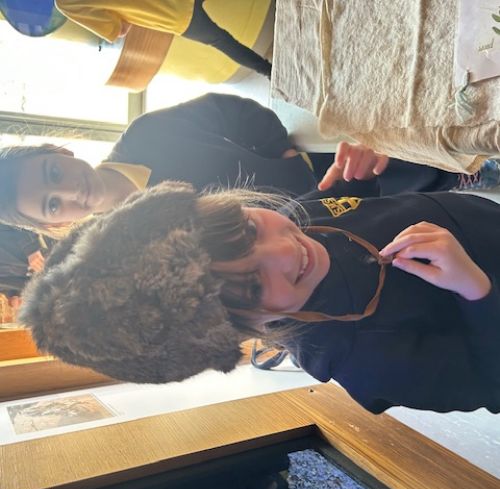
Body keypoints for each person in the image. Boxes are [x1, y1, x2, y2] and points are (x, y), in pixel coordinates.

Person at [19, 180, 500, 414]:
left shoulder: (300, 219)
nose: (286, 251)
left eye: (250, 229)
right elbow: (489, 385)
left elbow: (375, 201)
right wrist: (475, 290)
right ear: (249, 328)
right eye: (253, 285)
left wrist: (363, 169)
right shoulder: (359, 359)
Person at [0, 93, 496, 236]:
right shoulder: (136, 237)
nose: (70, 193)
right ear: (55, 224)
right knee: (442, 226)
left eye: (52, 175)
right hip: (325, 233)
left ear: (59, 153)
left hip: (327, 170)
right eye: (52, 205)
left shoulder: (147, 132)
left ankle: (470, 172)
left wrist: (276, 148)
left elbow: (231, 109)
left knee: (446, 169)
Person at [54, 0, 272, 77]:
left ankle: (269, 71)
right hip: (177, 13)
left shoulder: (66, 3)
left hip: (173, 14)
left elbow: (118, 30)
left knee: (222, 41)